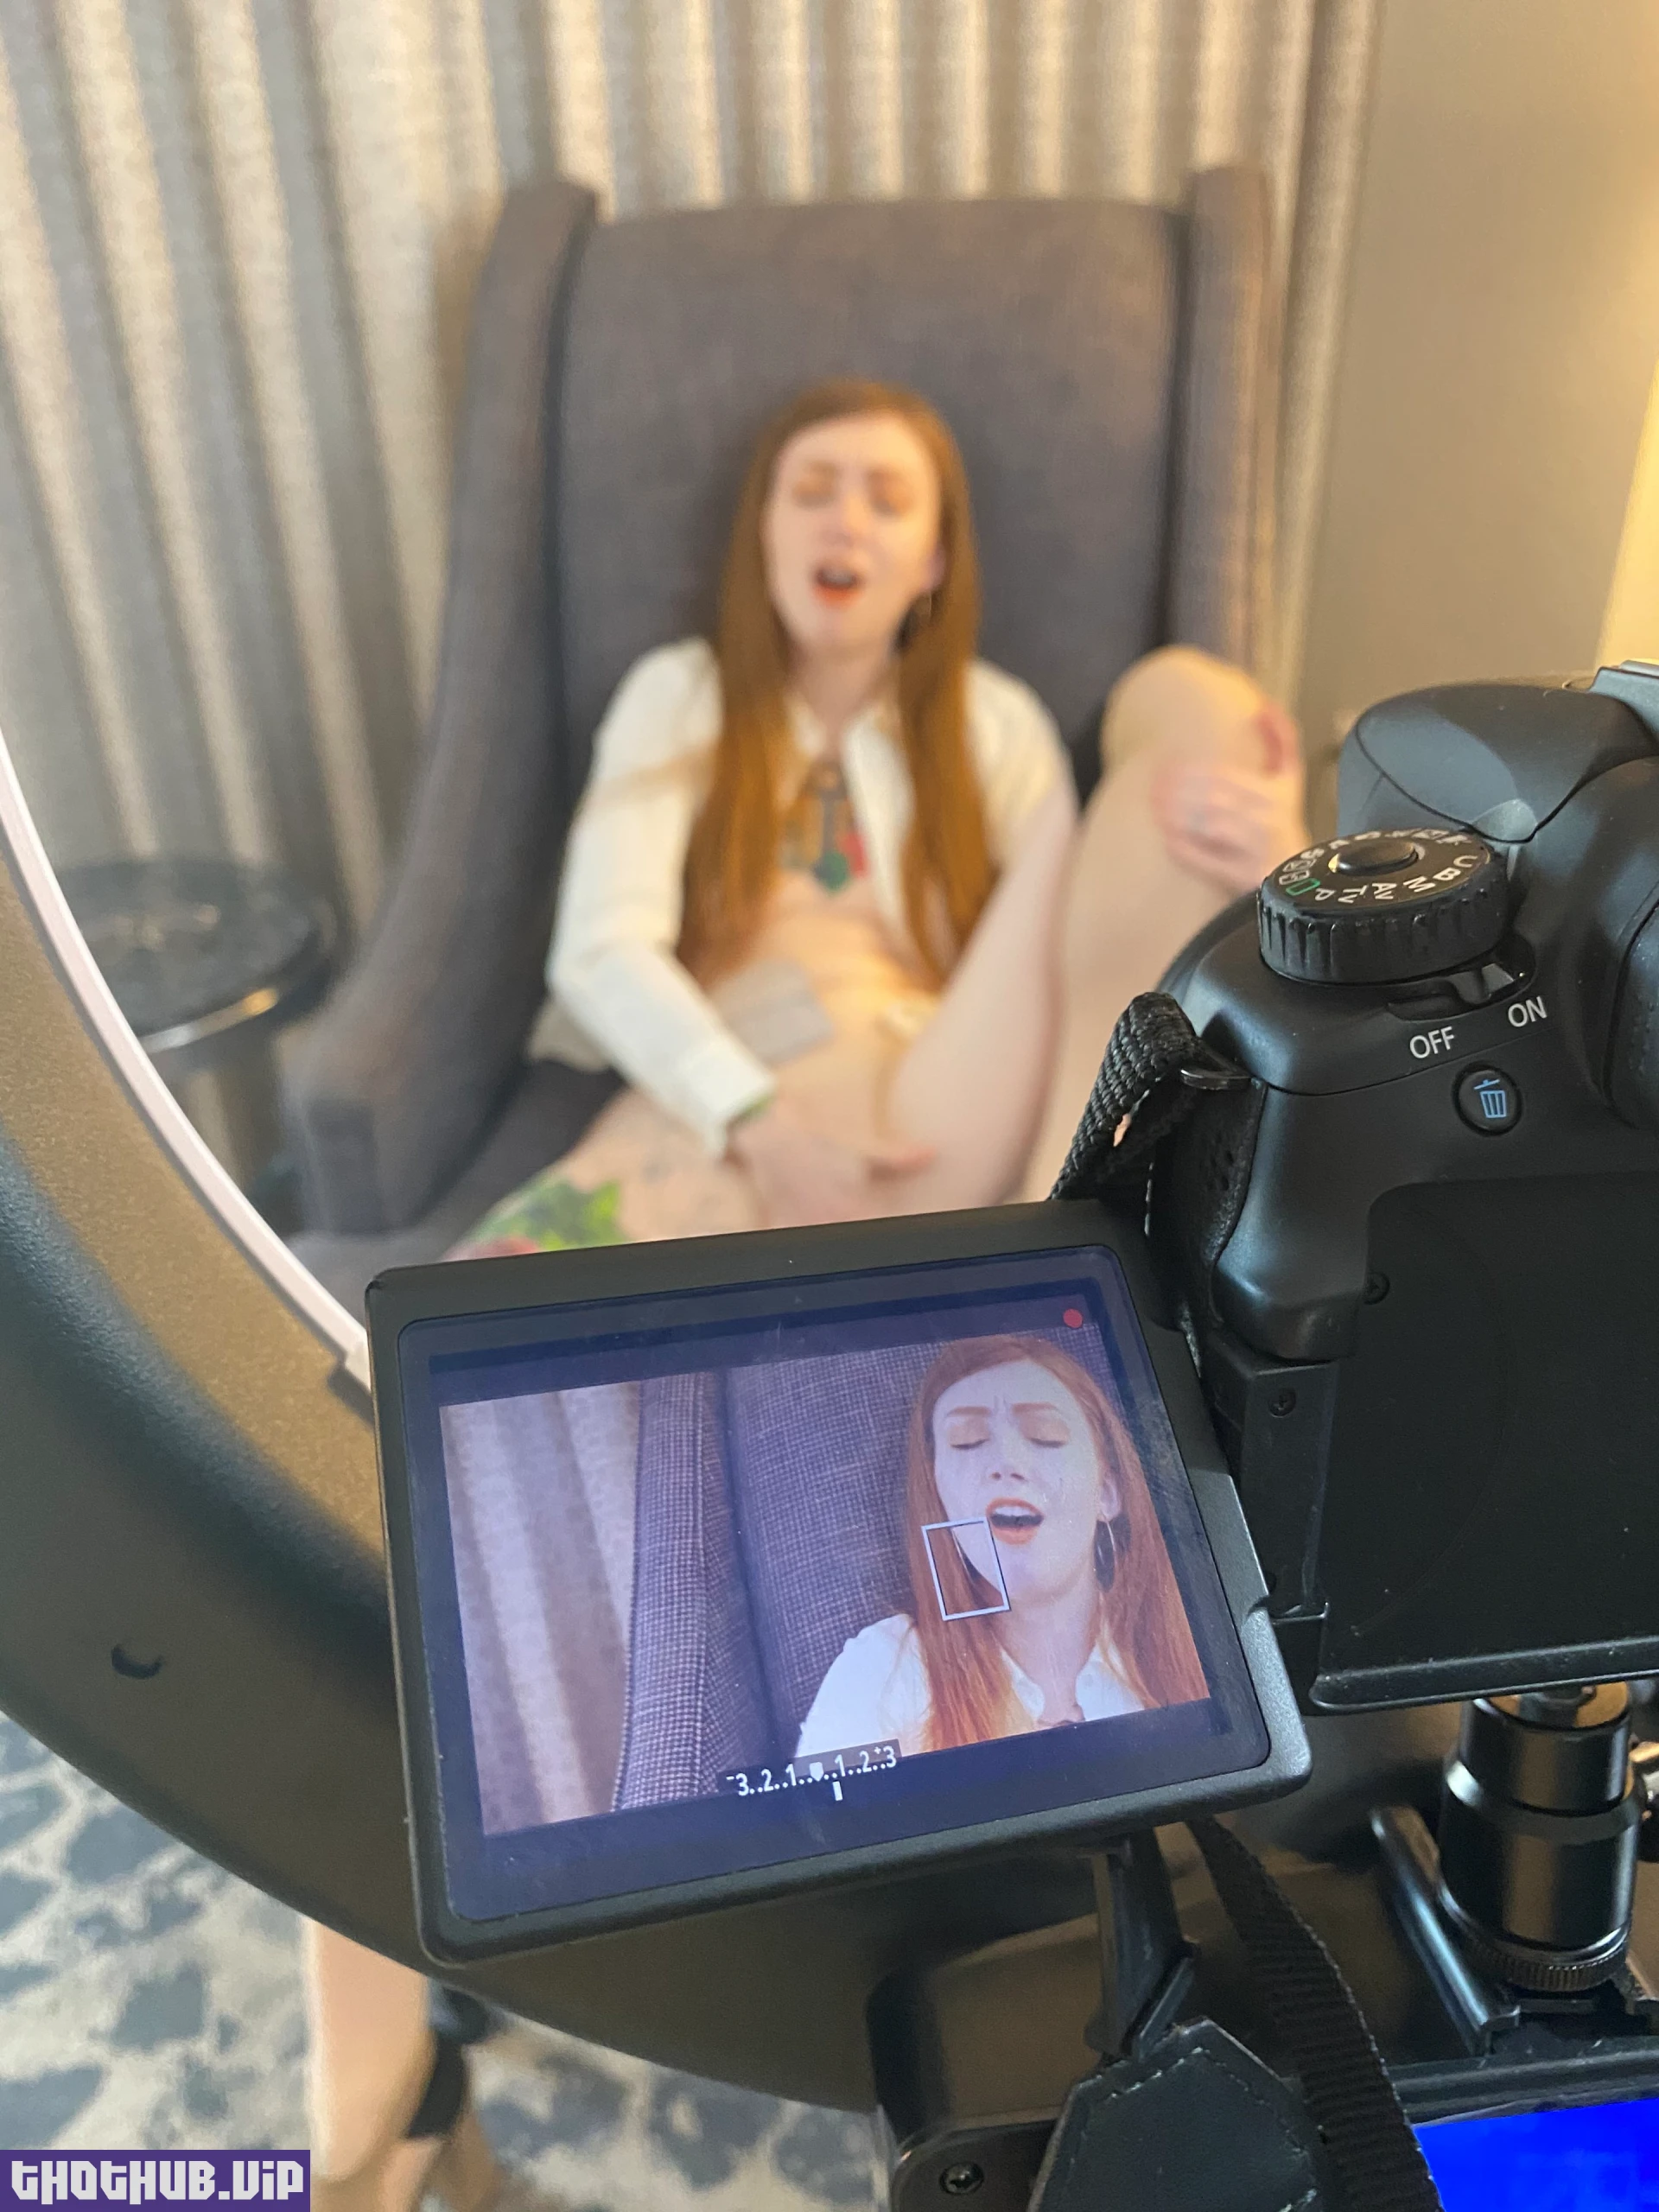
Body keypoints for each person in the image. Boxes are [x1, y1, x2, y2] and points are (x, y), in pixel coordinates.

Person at [305, 376, 1307, 2212]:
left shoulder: (990, 726)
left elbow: (1043, 959)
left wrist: (1205, 811)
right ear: (761, 533)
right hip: (701, 1116)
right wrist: (757, 1119)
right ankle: (361, 2097)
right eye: (811, 487)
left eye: (887, 497)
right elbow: (599, 943)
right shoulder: (686, 698)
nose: (844, 519)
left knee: (1154, 780)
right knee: (368, 1476)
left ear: (934, 561)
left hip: (931, 1110)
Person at [797, 1336, 1205, 1758]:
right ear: (938, 1499)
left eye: (1045, 1435)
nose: (1006, 1462)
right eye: (966, 1441)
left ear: (1107, 1491)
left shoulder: (1194, 1641)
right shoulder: (882, 1670)